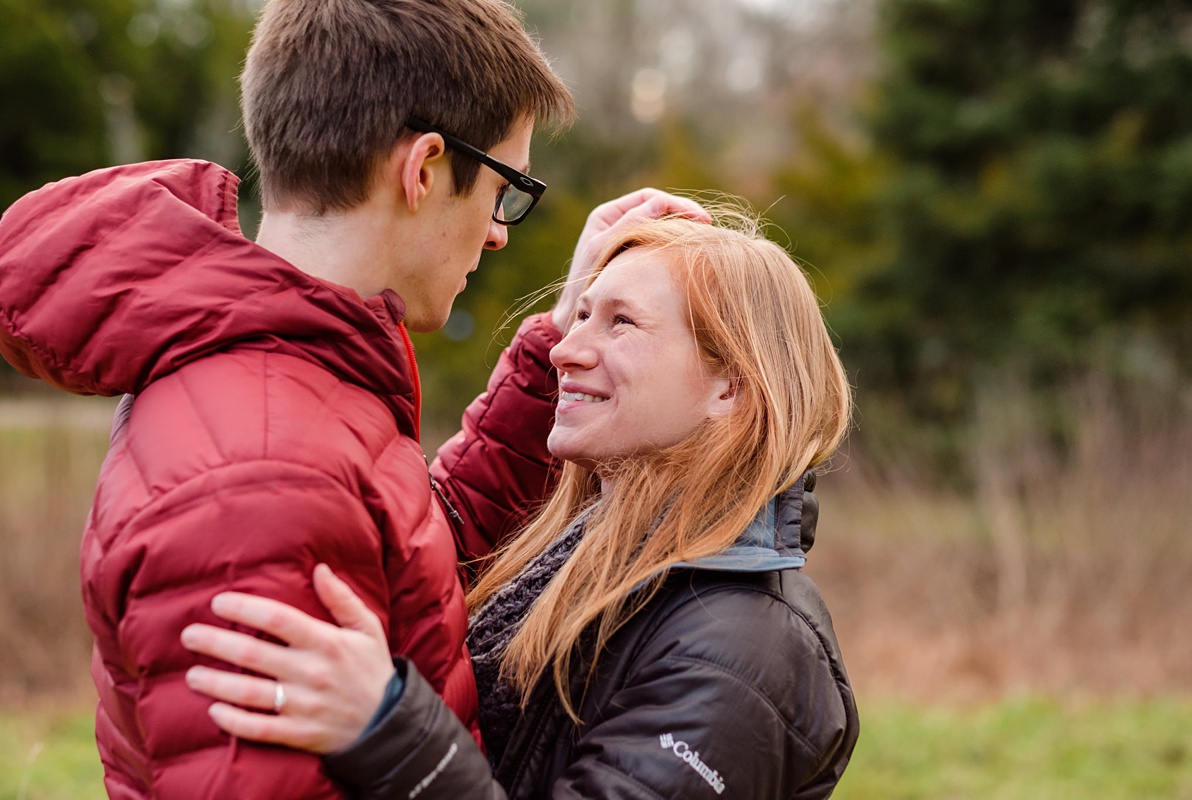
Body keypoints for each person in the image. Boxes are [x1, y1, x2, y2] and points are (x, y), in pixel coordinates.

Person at [0, 0, 706, 797]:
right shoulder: (264, 470)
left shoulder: (291, 378)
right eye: (505, 187)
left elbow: (409, 559)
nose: (499, 230)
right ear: (426, 169)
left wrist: (558, 343)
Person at [180, 207, 860, 799]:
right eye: (582, 314)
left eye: (620, 323)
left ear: (730, 390)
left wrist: (387, 727)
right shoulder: (583, 555)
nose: (566, 349)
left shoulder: (743, 654)